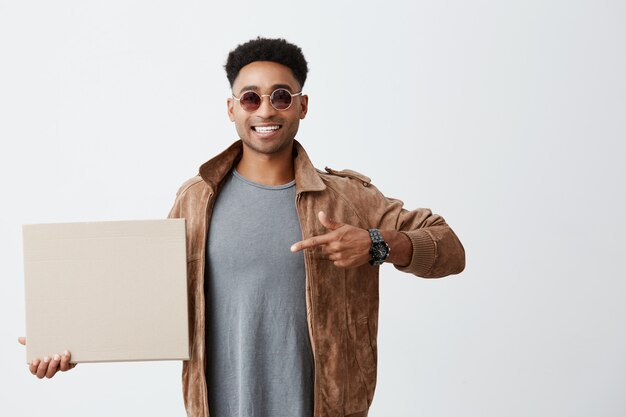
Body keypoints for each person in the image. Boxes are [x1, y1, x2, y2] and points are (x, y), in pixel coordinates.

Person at [20, 37, 465, 417]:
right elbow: (146, 300)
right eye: (251, 97)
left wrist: (376, 244)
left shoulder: (348, 199)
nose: (265, 109)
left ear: (302, 106)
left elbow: (449, 248)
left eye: (281, 96)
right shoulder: (196, 199)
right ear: (232, 108)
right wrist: (68, 338)